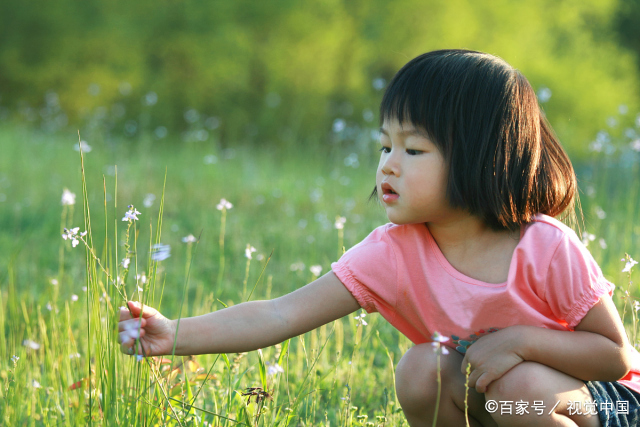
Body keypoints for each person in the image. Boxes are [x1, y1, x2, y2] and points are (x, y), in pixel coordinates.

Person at [118, 49, 640, 426]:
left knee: (520, 386)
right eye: (385, 146)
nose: (388, 165)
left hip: (591, 404)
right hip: (493, 405)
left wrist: (521, 342)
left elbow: (614, 356)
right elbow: (281, 314)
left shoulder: (543, 247)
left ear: (484, 158)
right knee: (422, 368)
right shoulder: (394, 251)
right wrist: (174, 334)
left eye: (413, 151)